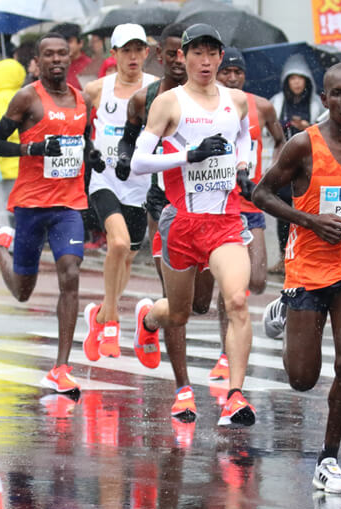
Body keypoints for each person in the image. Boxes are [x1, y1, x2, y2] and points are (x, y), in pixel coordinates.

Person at [254, 62, 341, 493]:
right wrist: (310, 220)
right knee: (302, 379)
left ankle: (328, 459)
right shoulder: (303, 145)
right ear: (326, 99)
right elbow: (261, 193)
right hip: (307, 265)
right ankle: (283, 308)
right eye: (340, 94)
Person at [129, 24, 257, 427]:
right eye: (196, 53)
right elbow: (138, 163)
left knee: (236, 300)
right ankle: (149, 318)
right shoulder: (169, 103)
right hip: (181, 223)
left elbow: (244, 140)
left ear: (221, 58)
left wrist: (243, 165)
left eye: (212, 54)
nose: (205, 61)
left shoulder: (236, 101)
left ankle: (235, 395)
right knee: (182, 313)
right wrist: (188, 155)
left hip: (225, 222)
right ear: (183, 57)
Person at [0, 32, 105, 394]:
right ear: (37, 60)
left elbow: (82, 142)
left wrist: (91, 156)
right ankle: (1, 247)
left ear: (70, 58)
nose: (56, 60)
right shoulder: (27, 98)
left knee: (70, 272)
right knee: (22, 291)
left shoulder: (82, 101)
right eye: (48, 54)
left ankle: (61, 367)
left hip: (68, 204)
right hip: (32, 204)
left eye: (62, 53)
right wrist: (33, 148)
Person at [115, 22, 218, 420]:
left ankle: (148, 318)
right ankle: (184, 389)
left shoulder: (218, 95)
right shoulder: (148, 99)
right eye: (173, 54)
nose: (180, 61)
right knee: (181, 306)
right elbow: (129, 141)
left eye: (185, 53)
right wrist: (126, 158)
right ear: (162, 57)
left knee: (202, 303)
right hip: (167, 205)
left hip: (212, 208)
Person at [209, 47, 285, 381]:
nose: (232, 77)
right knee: (231, 288)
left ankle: (266, 309)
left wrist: (272, 172)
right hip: (219, 205)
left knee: (257, 280)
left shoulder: (263, 107)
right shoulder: (206, 105)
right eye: (226, 72)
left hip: (251, 201)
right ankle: (225, 354)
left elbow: (282, 141)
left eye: (237, 72)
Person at [81, 24, 157, 360]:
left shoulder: (158, 91)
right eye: (125, 50)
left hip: (140, 186)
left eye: (138, 49)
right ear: (113, 55)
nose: (132, 56)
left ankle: (97, 316)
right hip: (104, 180)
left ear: (146, 53)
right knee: (119, 243)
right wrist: (87, 152)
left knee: (125, 258)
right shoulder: (98, 89)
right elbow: (76, 125)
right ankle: (111, 322)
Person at [268, 54, 325, 274]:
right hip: (284, 165)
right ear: (286, 80)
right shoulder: (277, 101)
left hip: (309, 165)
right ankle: (284, 256)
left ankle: (302, 257)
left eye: (301, 78)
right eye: (293, 78)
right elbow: (268, 131)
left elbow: (322, 131)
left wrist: (306, 126)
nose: (297, 83)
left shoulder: (315, 104)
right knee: (283, 211)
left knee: (306, 210)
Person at [0, 58, 26, 229]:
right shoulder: (23, 97)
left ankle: (5, 236)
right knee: (18, 201)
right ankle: (18, 236)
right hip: (19, 157)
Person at [51, 23, 91, 90]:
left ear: (80, 43)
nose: (65, 45)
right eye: (62, 42)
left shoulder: (90, 66)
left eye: (69, 41)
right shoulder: (54, 65)